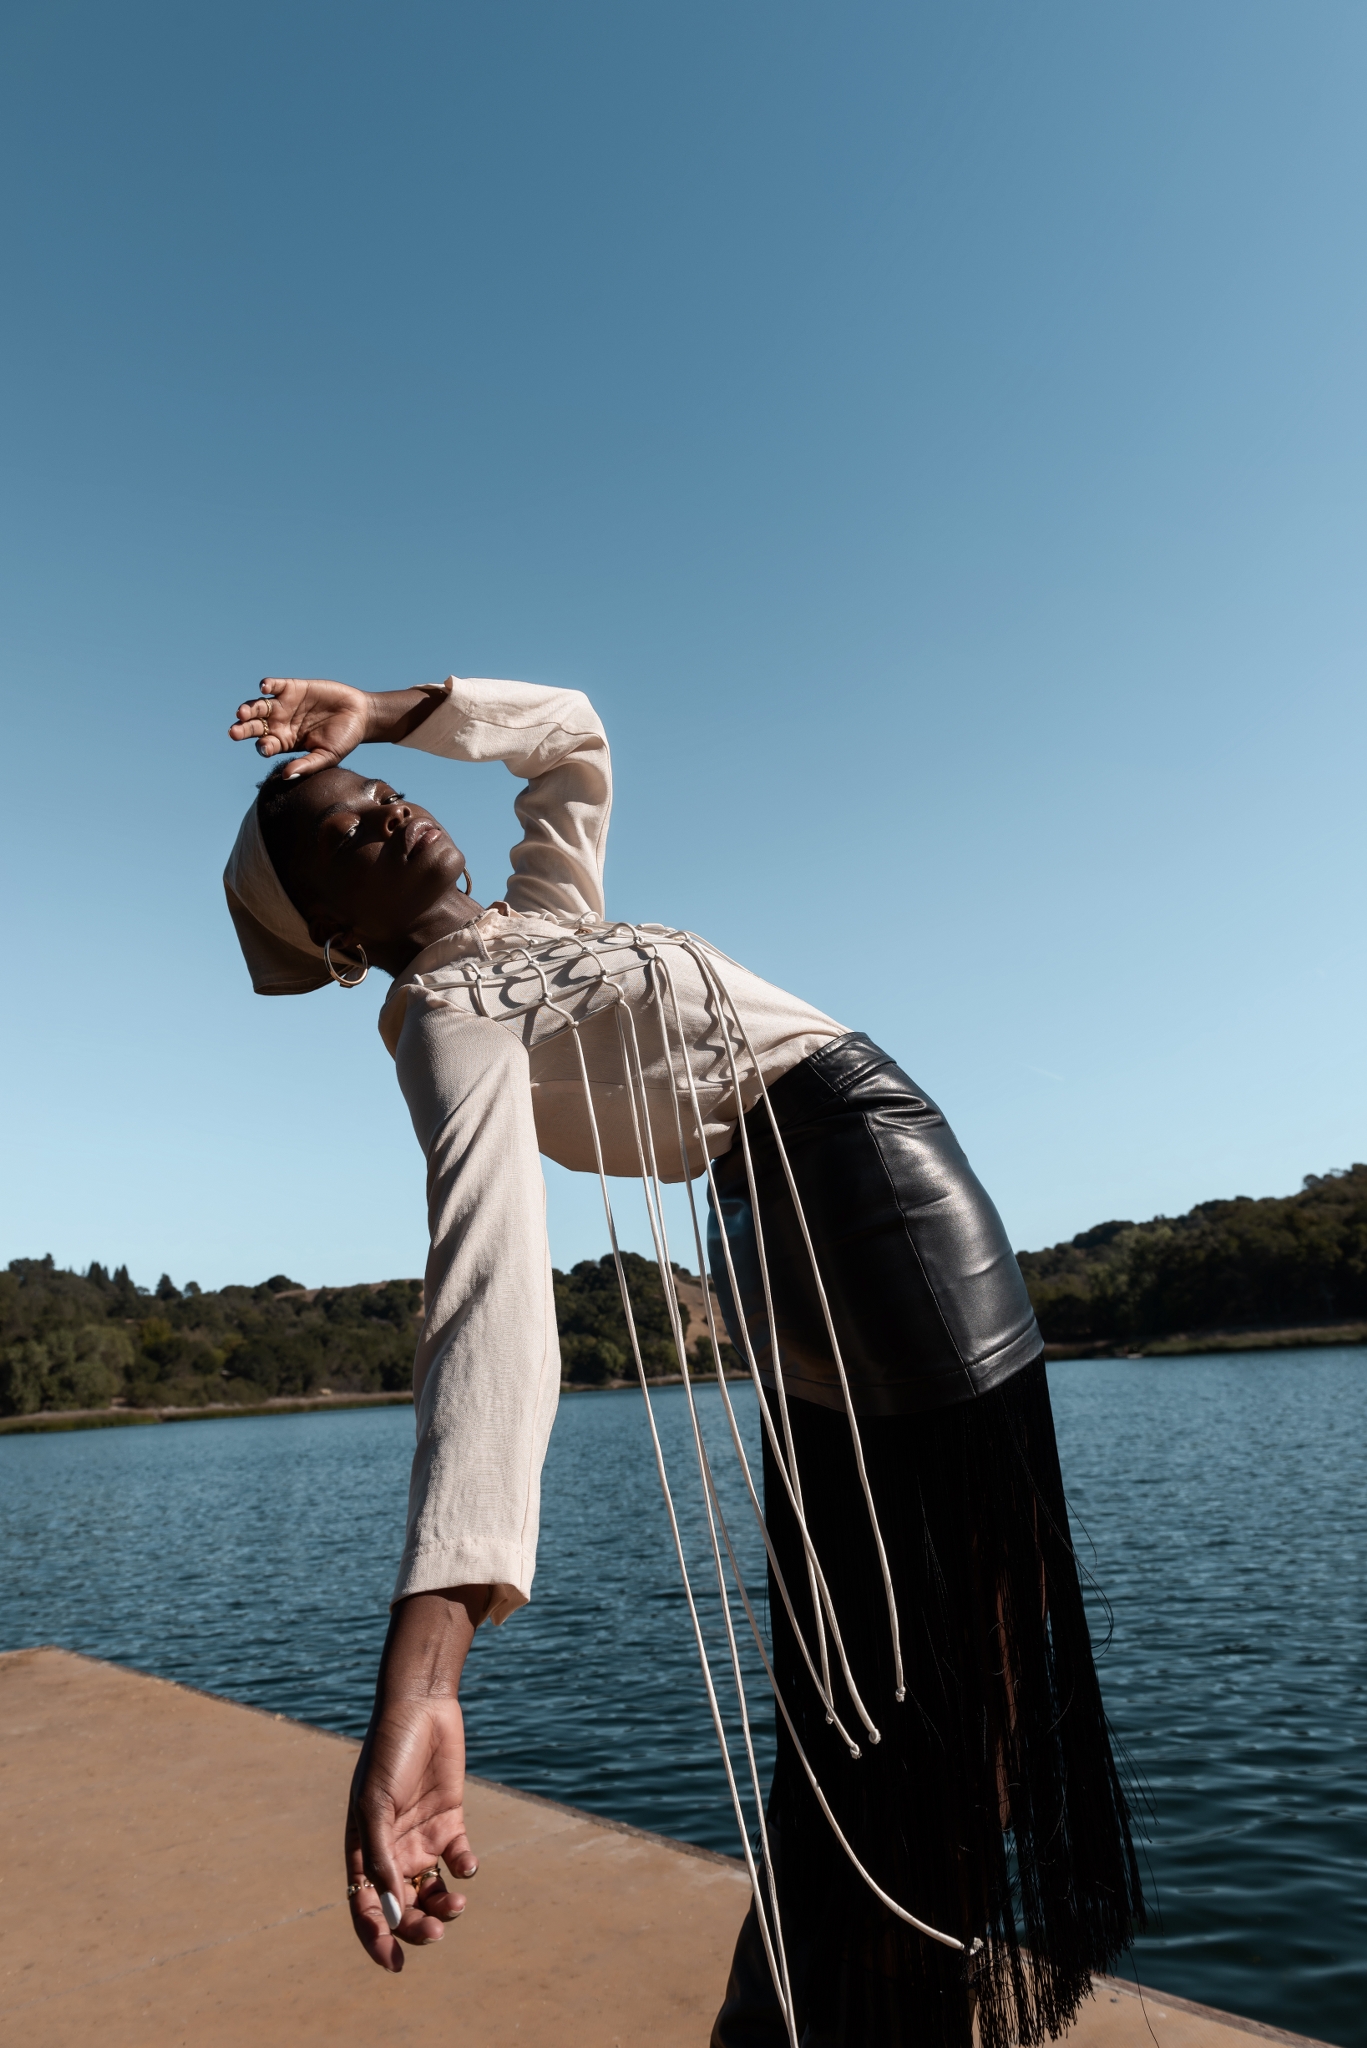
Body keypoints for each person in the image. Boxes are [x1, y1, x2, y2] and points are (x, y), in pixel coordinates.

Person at [224, 673, 1143, 2048]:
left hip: (806, 1226)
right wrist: (423, 1680)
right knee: (954, 1688)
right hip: (871, 1205)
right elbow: (488, 1293)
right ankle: (845, 2012)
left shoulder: (540, 924)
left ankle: (796, 2019)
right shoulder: (449, 1013)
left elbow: (568, 737)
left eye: (380, 791)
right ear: (340, 940)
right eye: (349, 834)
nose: (390, 811)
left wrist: (384, 707)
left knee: (883, 1695)